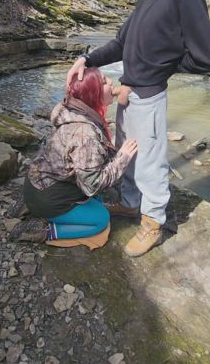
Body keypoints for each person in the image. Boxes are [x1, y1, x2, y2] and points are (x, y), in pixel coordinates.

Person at [66, 0, 210, 258]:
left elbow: (208, 57)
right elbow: (122, 42)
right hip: (128, 94)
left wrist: (162, 67)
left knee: (151, 164)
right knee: (129, 153)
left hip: (149, 96)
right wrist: (86, 59)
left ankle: (153, 222)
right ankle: (131, 203)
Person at [10, 68, 137, 247]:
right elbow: (92, 185)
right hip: (48, 198)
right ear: (93, 94)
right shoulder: (85, 134)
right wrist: (122, 158)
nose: (111, 82)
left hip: (36, 186)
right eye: (104, 82)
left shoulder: (72, 110)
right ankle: (43, 231)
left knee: (99, 199)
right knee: (101, 219)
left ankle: (30, 206)